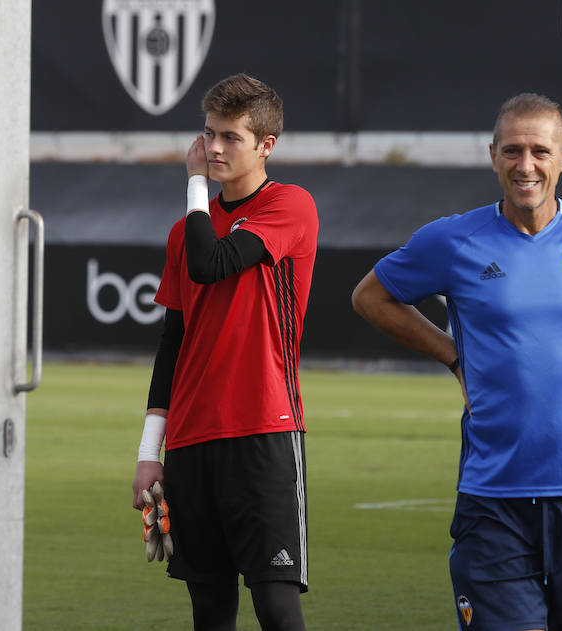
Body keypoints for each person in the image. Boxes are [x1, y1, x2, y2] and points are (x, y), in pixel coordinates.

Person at [351, 93, 562, 631]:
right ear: (493, 156)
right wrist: (451, 355)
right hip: (494, 502)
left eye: (539, 150)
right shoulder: (453, 240)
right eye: (512, 151)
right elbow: (371, 297)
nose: (525, 165)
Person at [131, 73, 318, 631]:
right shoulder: (183, 231)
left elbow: (211, 262)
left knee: (276, 607)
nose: (213, 148)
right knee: (210, 612)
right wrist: (149, 452)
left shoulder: (290, 206)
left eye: (230, 137)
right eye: (208, 134)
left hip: (263, 431)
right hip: (190, 443)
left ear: (267, 145)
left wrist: (193, 187)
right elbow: (172, 345)